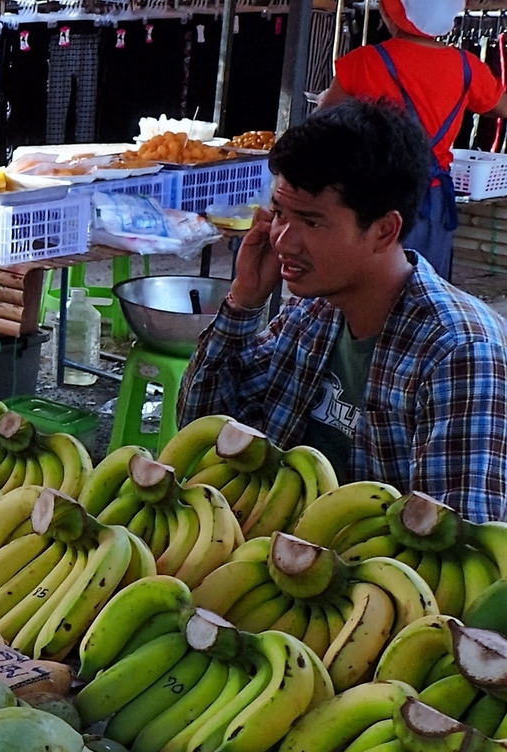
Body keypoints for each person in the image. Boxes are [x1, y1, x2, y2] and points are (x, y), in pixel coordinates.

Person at [178, 98, 507, 523]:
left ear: (383, 230)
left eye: (312, 222)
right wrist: (244, 303)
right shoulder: (311, 315)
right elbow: (202, 431)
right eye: (279, 213)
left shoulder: (460, 352)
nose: (283, 240)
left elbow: (452, 539)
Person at [320, 0, 507, 278]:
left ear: (391, 12)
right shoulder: (467, 67)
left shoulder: (365, 60)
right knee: (426, 288)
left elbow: (322, 125)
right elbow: (500, 107)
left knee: (365, 283)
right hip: (429, 196)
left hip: (370, 192)